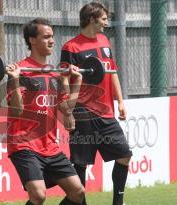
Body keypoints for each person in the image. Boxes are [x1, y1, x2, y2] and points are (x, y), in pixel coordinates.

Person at [6, 18, 85, 205]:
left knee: (78, 191)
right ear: (32, 40)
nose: (52, 41)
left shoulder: (54, 73)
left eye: (52, 37)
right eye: (46, 37)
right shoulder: (21, 71)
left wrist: (77, 80)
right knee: (38, 195)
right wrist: (15, 80)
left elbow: (66, 109)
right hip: (24, 144)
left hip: (50, 146)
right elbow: (16, 111)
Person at [60, 2, 132, 205]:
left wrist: (120, 101)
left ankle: (118, 202)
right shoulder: (71, 47)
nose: (106, 23)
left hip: (107, 114)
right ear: (92, 19)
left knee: (124, 155)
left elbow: (113, 72)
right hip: (83, 114)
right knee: (81, 165)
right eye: (103, 19)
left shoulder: (104, 41)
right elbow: (64, 79)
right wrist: (68, 111)